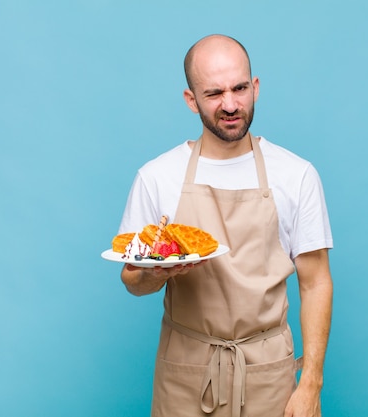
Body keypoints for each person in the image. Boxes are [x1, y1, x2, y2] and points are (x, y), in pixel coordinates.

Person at [117, 34, 333, 417]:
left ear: (256, 87)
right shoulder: (157, 177)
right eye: (214, 93)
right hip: (185, 370)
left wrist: (311, 383)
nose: (230, 104)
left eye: (240, 88)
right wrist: (159, 273)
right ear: (191, 100)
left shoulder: (296, 174)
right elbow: (133, 279)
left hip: (269, 374)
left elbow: (315, 282)